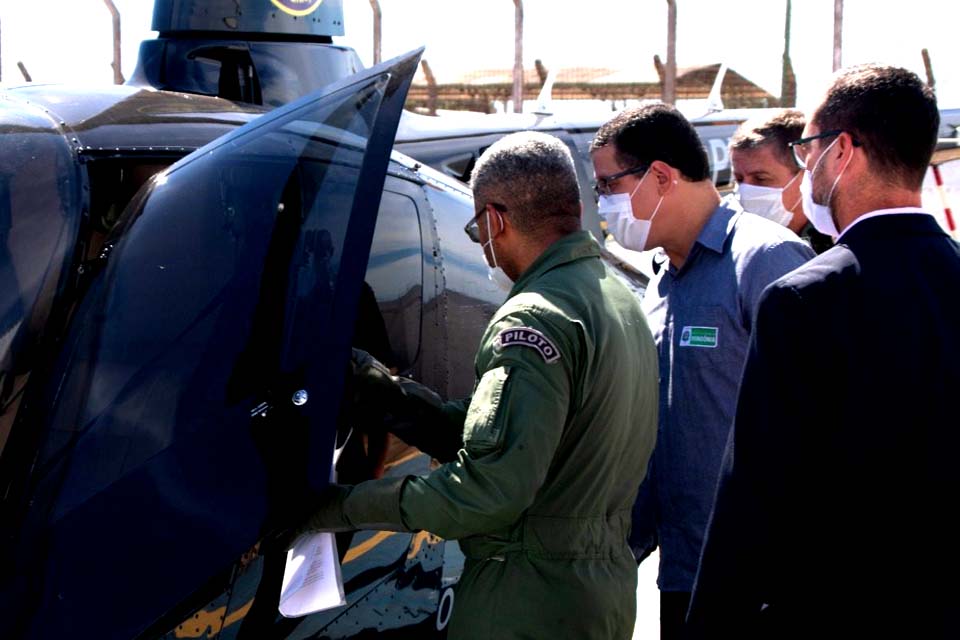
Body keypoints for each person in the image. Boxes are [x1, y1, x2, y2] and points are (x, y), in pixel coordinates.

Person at [295, 131, 659, 639]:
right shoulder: (615, 300)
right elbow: (505, 435)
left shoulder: (536, 319)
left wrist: (336, 507)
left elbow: (486, 492)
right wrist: (375, 386)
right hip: (598, 591)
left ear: (494, 220)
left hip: (525, 599)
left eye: (476, 230)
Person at [688, 64, 960, 638]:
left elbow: (755, 494)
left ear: (841, 152)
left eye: (807, 148)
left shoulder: (804, 299)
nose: (805, 166)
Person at [589, 104, 815, 638]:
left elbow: (818, 418)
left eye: (608, 185)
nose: (603, 203)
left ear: (661, 176)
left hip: (758, 583)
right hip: (684, 574)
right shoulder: (663, 280)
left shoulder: (767, 259)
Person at [730, 109, 834, 254]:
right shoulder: (734, 244)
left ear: (805, 176)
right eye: (739, 179)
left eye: (761, 178)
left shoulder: (836, 242)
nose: (746, 190)